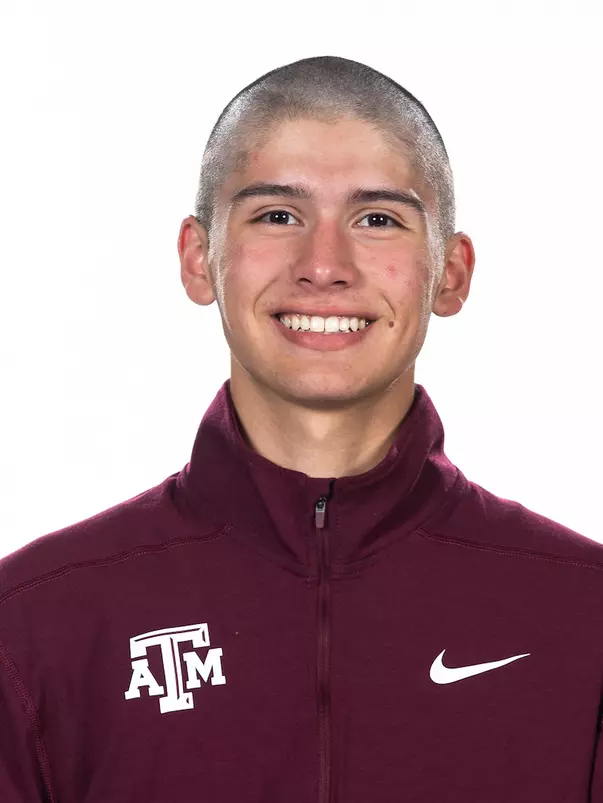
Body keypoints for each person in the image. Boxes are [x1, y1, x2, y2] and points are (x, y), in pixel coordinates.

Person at [1, 54, 602, 803]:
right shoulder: (33, 623)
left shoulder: (585, 616)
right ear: (199, 258)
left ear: (449, 271)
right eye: (277, 215)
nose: (324, 265)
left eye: (376, 219)